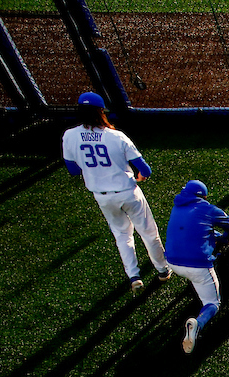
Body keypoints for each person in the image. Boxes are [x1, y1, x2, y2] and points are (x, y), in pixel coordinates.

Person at [61, 91, 171, 297]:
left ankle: (134, 276)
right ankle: (163, 270)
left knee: (122, 235)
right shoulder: (116, 136)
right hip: (128, 192)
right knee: (148, 232)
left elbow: (73, 170)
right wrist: (140, 177)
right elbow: (145, 169)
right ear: (101, 111)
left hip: (102, 196)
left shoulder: (69, 135)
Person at [163, 180, 229, 354]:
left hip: (172, 263)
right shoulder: (208, 209)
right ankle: (198, 324)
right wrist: (226, 238)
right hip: (197, 266)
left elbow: (197, 229)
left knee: (193, 275)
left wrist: (223, 239)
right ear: (203, 196)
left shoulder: (176, 207)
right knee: (213, 302)